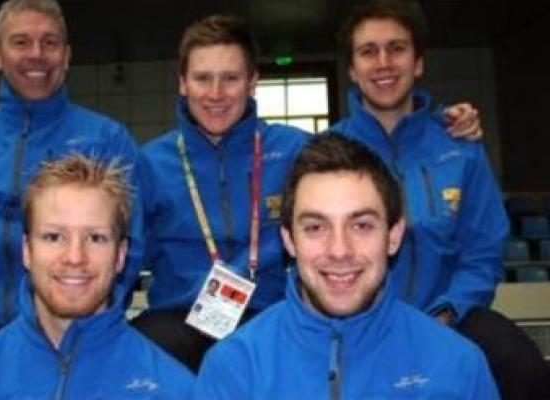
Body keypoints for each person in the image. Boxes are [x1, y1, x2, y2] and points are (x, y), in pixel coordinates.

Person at [135, 13, 485, 372]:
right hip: (179, 318)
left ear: (252, 82)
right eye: (203, 78)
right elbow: (125, 252)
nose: (216, 94)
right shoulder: (150, 163)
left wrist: (439, 123)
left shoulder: (296, 149)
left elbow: (377, 146)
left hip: (274, 314)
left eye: (231, 78)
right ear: (182, 83)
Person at [331, 0, 550, 398]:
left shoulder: (460, 147)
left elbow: (482, 251)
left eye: (397, 48)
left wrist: (447, 312)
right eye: (368, 51)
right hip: (358, 322)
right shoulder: (329, 151)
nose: (383, 62)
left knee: (525, 370)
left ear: (418, 63)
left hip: (451, 315)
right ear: (352, 70)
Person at [194, 134, 499, 399]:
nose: (339, 250)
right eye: (315, 227)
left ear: (393, 236)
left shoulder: (458, 365)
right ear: (289, 241)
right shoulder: (233, 368)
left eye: (361, 225)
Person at [0, 0, 145, 357]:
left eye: (50, 42)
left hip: (79, 338)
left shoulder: (108, 141)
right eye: (21, 42)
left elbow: (130, 242)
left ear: (67, 56)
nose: (37, 54)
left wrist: (93, 320)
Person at [0, 154, 194, 400]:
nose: (75, 257)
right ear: (27, 251)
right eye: (54, 237)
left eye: (95, 238)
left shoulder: (175, 390)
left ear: (120, 255)